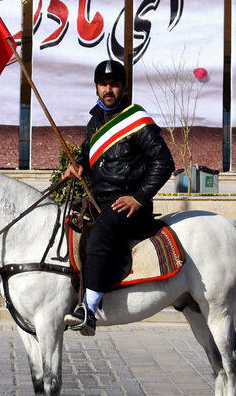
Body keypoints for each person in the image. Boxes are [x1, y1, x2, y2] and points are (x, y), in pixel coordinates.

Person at [62, 59, 175, 336]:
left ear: (123, 87)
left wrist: (138, 198)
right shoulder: (95, 121)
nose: (108, 90)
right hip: (100, 203)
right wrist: (78, 165)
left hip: (131, 208)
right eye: (103, 84)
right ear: (96, 87)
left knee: (101, 231)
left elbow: (164, 162)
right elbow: (90, 159)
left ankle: (88, 310)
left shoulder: (137, 119)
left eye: (114, 85)